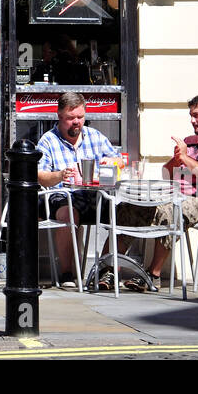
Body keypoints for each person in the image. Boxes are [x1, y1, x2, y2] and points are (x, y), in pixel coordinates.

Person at [115, 92, 198, 291]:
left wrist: (186, 158)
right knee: (128, 208)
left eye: (196, 115)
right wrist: (176, 159)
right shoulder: (189, 141)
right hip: (172, 196)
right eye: (191, 115)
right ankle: (109, 270)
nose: (192, 120)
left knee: (169, 211)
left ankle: (152, 275)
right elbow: (167, 174)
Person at [37, 91, 119, 287]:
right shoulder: (48, 140)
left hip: (92, 195)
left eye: (80, 117)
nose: (76, 122)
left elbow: (118, 158)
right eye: (70, 118)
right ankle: (67, 273)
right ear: (59, 116)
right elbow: (40, 175)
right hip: (61, 194)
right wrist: (60, 175)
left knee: (126, 212)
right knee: (68, 214)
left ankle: (105, 270)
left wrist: (113, 161)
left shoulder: (95, 136)